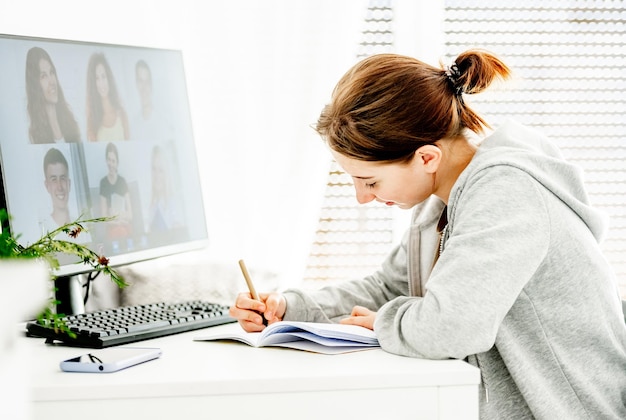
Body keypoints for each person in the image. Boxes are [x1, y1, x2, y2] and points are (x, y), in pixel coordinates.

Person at [230, 50, 626, 419]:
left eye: (369, 182)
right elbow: (391, 286)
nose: (362, 198)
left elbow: (451, 327)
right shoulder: (442, 197)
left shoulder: (506, 191)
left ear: (426, 157)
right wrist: (290, 308)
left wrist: (383, 323)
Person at [25, 47, 81, 143]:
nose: (51, 81)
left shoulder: (72, 123)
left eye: (51, 72)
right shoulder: (34, 136)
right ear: (35, 86)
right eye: (43, 76)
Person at [41, 147, 91, 243]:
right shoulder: (43, 232)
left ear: (69, 184)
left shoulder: (82, 229)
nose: (60, 187)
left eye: (62, 178)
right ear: (47, 186)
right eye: (54, 179)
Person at [86, 52, 129, 142]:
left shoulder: (122, 114)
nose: (101, 83)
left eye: (103, 76)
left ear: (108, 78)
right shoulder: (92, 122)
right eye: (97, 78)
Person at [99, 142, 132, 240]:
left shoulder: (122, 181)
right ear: (106, 160)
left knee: (123, 232)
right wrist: (115, 221)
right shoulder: (103, 183)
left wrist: (122, 218)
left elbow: (130, 215)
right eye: (109, 160)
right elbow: (103, 217)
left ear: (117, 163)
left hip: (124, 225)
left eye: (113, 161)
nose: (111, 164)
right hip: (113, 227)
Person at [148, 144, 183, 233]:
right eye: (154, 169)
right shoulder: (152, 205)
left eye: (161, 170)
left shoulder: (175, 204)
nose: (156, 175)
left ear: (167, 174)